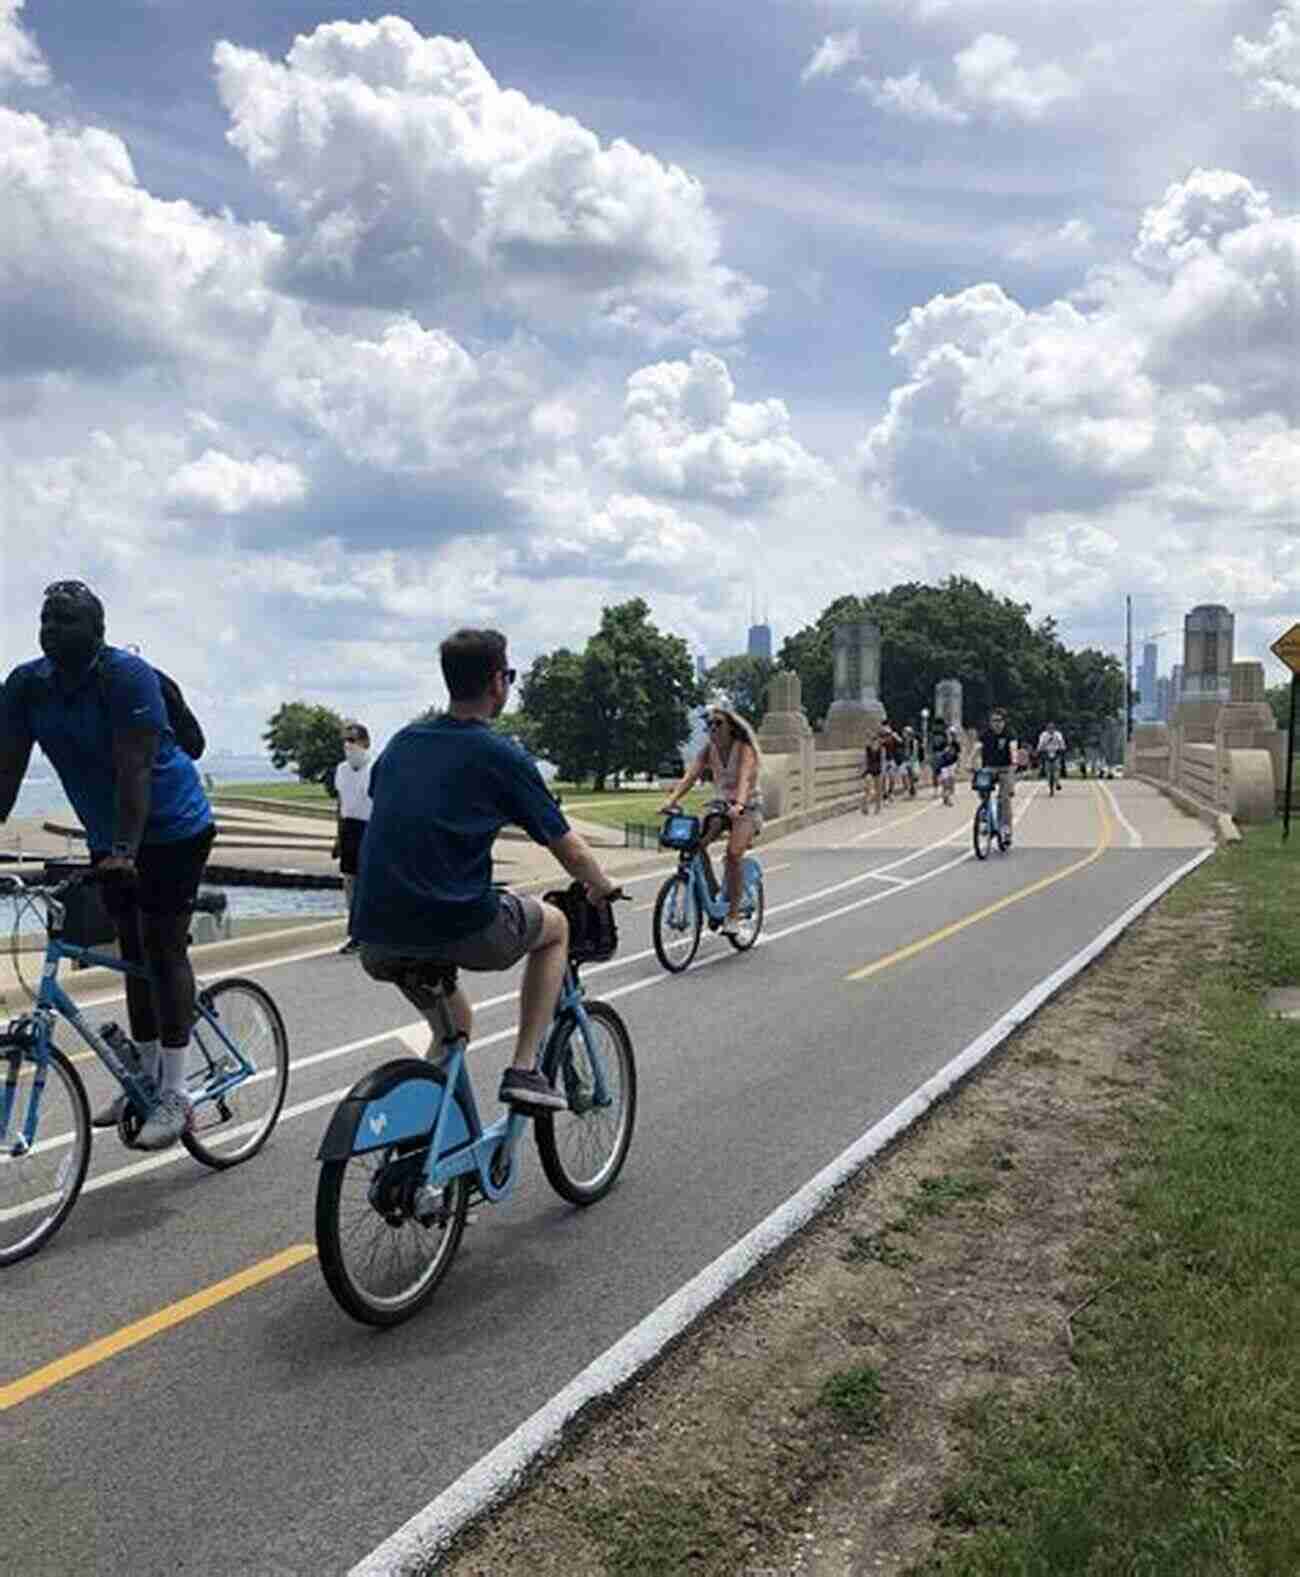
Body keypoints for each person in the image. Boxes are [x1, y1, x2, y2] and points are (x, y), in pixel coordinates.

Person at [352, 628, 621, 1113]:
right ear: (498, 682)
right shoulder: (501, 755)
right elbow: (571, 851)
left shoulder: (401, 743)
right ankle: (525, 1069)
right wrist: (602, 885)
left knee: (453, 1028)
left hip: (376, 934)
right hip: (458, 926)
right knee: (556, 927)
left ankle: (421, 1143)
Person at [0, 580, 215, 1149]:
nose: (51, 630)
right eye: (46, 619)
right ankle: (144, 1074)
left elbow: (135, 769)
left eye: (65, 621)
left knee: (163, 945)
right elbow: (5, 771)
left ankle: (177, 1091)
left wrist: (124, 851)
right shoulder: (27, 685)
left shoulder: (125, 677)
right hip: (109, 835)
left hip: (171, 828)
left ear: (98, 631)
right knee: (131, 950)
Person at [659, 705, 764, 935]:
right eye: (710, 725)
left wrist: (739, 804)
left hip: (747, 808)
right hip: (721, 807)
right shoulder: (708, 750)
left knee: (734, 854)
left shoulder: (744, 749)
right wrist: (672, 799)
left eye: (718, 724)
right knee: (695, 845)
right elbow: (690, 776)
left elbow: (745, 779)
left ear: (731, 728)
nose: (712, 728)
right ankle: (714, 892)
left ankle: (734, 916)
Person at [332, 720, 372, 955]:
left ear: (365, 743)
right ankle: (356, 933)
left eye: (353, 740)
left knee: (368, 882)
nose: (348, 746)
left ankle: (368, 932)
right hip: (349, 828)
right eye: (345, 741)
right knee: (350, 882)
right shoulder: (341, 770)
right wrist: (337, 836)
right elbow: (340, 803)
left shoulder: (375, 767)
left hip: (369, 827)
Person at [974, 707, 1019, 842]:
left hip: (1006, 768)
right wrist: (970, 763)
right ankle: (986, 816)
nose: (996, 724)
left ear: (1004, 722)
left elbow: (1013, 748)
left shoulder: (1009, 734)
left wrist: (1015, 761)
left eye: (999, 721)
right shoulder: (986, 734)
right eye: (993, 721)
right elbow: (977, 748)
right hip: (989, 768)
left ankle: (1006, 828)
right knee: (982, 788)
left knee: (1004, 798)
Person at [861, 728, 885, 815]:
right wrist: (862, 769)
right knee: (869, 788)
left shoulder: (881, 749)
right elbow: (864, 759)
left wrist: (883, 770)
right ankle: (865, 806)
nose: (874, 742)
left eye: (875, 740)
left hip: (878, 770)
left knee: (878, 790)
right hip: (869, 770)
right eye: (873, 740)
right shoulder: (868, 748)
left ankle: (878, 807)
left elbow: (882, 760)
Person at [1037, 721, 1066, 791]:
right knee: (1047, 769)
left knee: (1057, 768)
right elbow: (1040, 743)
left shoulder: (1058, 734)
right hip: (1047, 752)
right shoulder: (1043, 735)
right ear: (1047, 729)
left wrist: (1062, 748)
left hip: (1056, 752)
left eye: (1052, 728)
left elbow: (1061, 742)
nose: (1051, 730)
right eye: (1049, 728)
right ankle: (1048, 780)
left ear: (1054, 729)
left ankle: (1057, 782)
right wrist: (1039, 749)